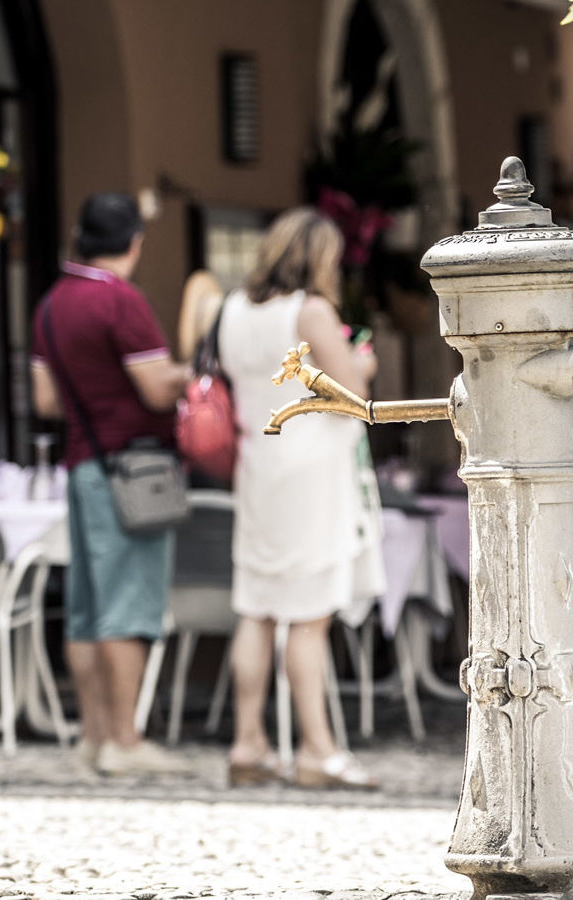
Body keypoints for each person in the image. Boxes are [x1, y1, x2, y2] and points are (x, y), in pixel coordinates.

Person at [30, 192, 192, 776]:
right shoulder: (120, 301)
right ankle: (125, 741)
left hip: (81, 465)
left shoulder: (50, 305)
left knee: (88, 610)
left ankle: (92, 736)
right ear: (133, 242)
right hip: (134, 470)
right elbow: (155, 388)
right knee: (128, 606)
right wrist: (192, 375)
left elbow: (45, 400)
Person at [217, 207, 379, 789]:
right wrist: (363, 359)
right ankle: (317, 748)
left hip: (260, 467)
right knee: (308, 620)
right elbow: (353, 393)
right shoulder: (310, 311)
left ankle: (248, 743)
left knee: (256, 609)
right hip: (310, 472)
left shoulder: (232, 310)